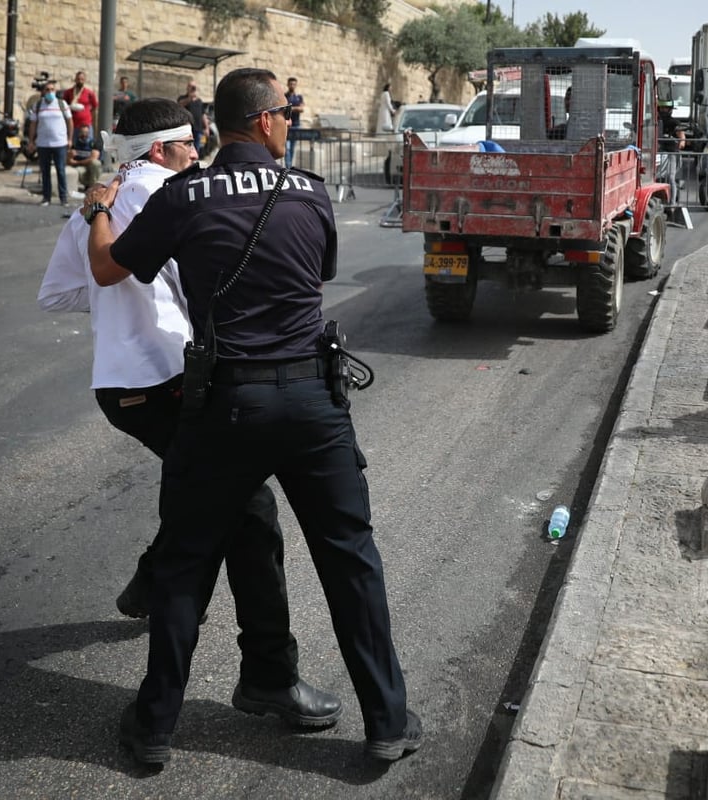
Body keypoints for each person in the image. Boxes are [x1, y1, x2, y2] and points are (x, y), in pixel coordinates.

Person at [86, 68, 422, 767]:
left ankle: (152, 730)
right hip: (312, 404)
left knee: (184, 562)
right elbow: (319, 269)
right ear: (266, 120)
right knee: (350, 560)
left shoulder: (183, 196)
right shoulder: (309, 191)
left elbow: (114, 266)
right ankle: (387, 721)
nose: (292, 122)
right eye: (289, 112)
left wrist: (97, 208)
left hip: (224, 406)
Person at [39, 99, 341, 764]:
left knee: (208, 501)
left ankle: (164, 595)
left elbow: (64, 291)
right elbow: (205, 289)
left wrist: (122, 304)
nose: (199, 155)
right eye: (190, 145)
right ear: (164, 148)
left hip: (121, 386)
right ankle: (262, 677)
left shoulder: (104, 198)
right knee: (247, 515)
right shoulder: (178, 198)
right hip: (178, 381)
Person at [26, 79, 72, 206]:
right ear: (43, 92)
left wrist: (69, 138)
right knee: (45, 172)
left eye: (52, 89)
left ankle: (63, 198)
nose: (50, 92)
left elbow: (70, 122)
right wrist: (31, 141)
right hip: (43, 144)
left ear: (55, 91)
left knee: (61, 171)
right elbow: (33, 124)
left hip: (60, 143)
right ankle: (46, 198)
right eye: (47, 90)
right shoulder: (38, 105)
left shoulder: (62, 104)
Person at [177, 81, 209, 156]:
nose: (192, 88)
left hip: (198, 128)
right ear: (187, 88)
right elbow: (179, 105)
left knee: (196, 148)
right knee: (186, 147)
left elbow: (203, 115)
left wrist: (206, 127)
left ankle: (193, 162)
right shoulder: (182, 98)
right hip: (187, 128)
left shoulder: (199, 101)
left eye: (194, 87)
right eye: (191, 86)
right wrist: (190, 98)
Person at [67, 123, 101, 192]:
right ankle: (87, 185)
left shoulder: (94, 143)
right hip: (80, 167)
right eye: (82, 132)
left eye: (86, 132)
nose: (84, 135)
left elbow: (93, 158)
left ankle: (92, 186)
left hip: (90, 166)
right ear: (79, 133)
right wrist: (70, 156)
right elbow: (69, 161)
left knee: (96, 163)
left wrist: (77, 162)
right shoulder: (75, 143)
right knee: (78, 171)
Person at [283, 76, 305, 168]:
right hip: (286, 126)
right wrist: (294, 108)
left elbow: (301, 109)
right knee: (286, 148)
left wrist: (290, 108)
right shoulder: (284, 96)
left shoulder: (299, 97)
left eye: (294, 84)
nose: (292, 85)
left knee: (292, 148)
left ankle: (289, 166)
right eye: (290, 83)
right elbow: (283, 108)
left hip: (296, 125)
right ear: (288, 84)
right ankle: (288, 167)